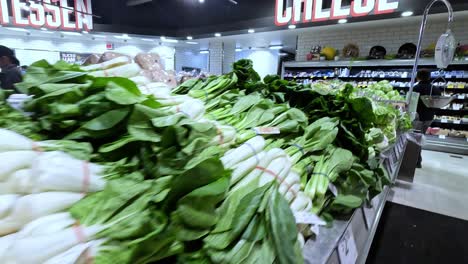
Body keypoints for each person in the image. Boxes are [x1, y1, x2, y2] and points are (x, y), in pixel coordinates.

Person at [413, 69, 441, 167]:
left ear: (418, 77)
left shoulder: (416, 88)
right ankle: (417, 160)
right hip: (429, 117)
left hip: (417, 117)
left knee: (415, 139)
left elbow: (412, 103)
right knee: (420, 137)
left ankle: (416, 161)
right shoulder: (435, 89)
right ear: (429, 77)